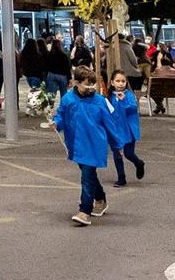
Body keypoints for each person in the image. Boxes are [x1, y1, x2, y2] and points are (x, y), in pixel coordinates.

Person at [53, 65, 113, 226]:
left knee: (86, 176)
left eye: (93, 85)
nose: (91, 88)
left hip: (94, 144)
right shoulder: (67, 99)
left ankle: (84, 211)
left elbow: (110, 124)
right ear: (76, 83)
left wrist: (118, 144)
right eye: (87, 85)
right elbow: (61, 115)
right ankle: (100, 198)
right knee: (89, 174)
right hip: (75, 143)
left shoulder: (100, 101)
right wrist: (56, 123)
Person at [103, 69, 144, 186]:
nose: (120, 83)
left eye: (123, 81)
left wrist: (124, 100)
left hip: (128, 130)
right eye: (118, 81)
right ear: (112, 82)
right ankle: (121, 178)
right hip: (116, 131)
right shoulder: (109, 97)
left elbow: (132, 108)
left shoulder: (129, 95)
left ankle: (139, 163)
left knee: (128, 153)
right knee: (117, 155)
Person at [42, 35, 73, 103]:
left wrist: (45, 76)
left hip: (52, 74)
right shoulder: (63, 55)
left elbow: (46, 66)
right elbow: (67, 68)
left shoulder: (50, 55)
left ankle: (50, 107)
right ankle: (64, 106)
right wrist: (69, 78)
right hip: (62, 75)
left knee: (51, 94)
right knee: (64, 92)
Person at [17, 32, 46, 96]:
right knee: (35, 93)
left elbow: (21, 64)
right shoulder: (38, 55)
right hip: (36, 76)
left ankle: (35, 104)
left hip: (28, 76)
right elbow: (41, 66)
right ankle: (35, 105)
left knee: (34, 92)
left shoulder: (23, 55)